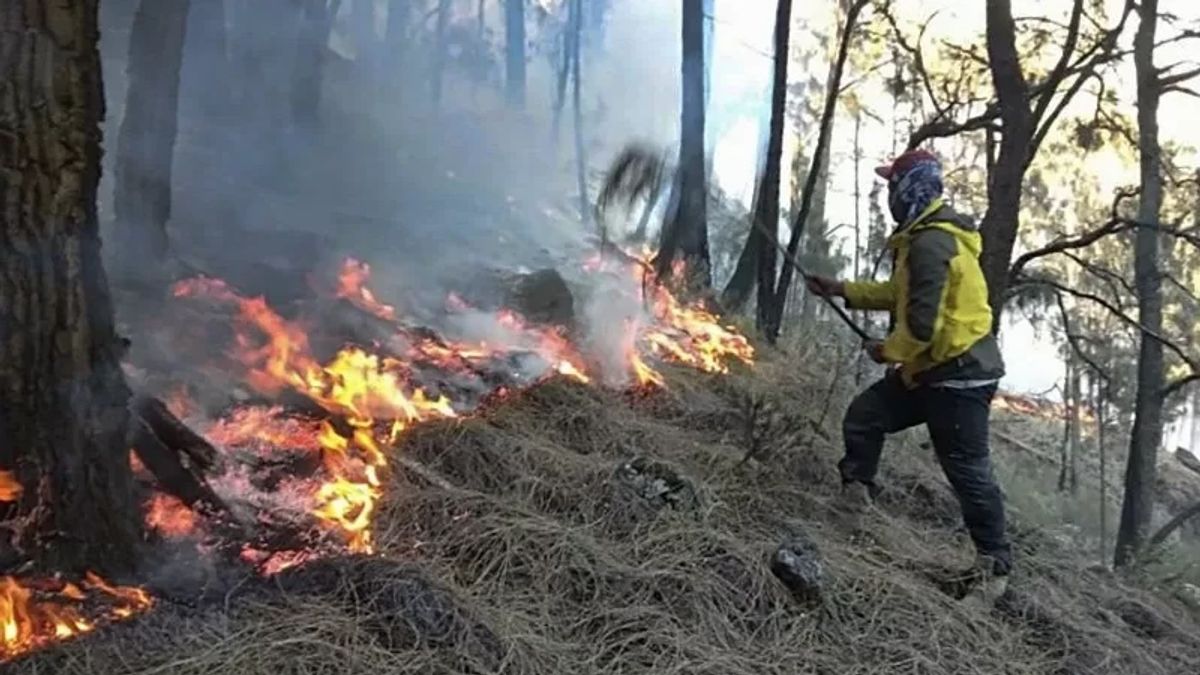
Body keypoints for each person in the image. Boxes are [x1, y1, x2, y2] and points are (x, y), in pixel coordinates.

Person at [805, 148, 1011, 603]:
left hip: (959, 376)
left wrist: (886, 351)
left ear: (910, 188)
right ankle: (854, 502)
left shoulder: (931, 242)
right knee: (866, 414)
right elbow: (900, 294)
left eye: (892, 186)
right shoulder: (922, 237)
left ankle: (994, 572)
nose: (888, 197)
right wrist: (841, 290)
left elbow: (921, 325)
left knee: (967, 471)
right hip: (931, 368)